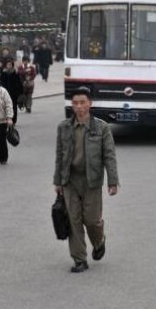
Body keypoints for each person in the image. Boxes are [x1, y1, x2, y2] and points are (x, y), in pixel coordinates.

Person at [53, 87, 119, 273]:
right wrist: (57, 181)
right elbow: (59, 155)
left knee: (91, 220)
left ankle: (99, 241)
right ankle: (79, 259)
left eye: (83, 102)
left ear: (90, 104)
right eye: (75, 103)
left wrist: (112, 181)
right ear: (72, 106)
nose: (79, 106)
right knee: (73, 220)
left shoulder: (101, 128)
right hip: (70, 181)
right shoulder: (64, 127)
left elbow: (109, 156)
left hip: (92, 180)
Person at [0, 59, 23, 124]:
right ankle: (7, 119)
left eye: (10, 65)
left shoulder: (15, 73)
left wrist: (20, 93)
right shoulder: (3, 73)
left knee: (14, 107)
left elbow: (19, 83)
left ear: (12, 65)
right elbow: (1, 83)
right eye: (7, 65)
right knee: (5, 107)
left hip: (14, 94)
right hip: (5, 93)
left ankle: (14, 119)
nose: (9, 66)